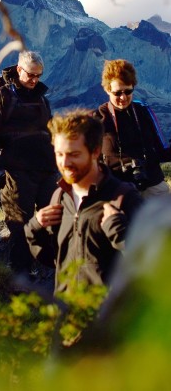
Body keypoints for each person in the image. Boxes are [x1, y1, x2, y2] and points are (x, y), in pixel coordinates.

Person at [24, 109, 143, 293]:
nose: (64, 163)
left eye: (74, 154)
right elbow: (54, 259)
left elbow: (150, 264)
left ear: (95, 151)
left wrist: (119, 233)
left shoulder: (123, 198)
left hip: (111, 317)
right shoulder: (60, 198)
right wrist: (34, 228)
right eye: (59, 154)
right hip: (68, 315)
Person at [0, 51, 58, 277]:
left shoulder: (42, 99)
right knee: (19, 224)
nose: (35, 80)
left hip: (45, 169)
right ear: (19, 70)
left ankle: (49, 272)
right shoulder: (2, 96)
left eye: (38, 76)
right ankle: (20, 277)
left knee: (51, 219)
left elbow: (50, 133)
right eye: (31, 75)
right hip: (16, 172)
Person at [94, 59, 171, 199]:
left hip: (152, 182)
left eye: (128, 91)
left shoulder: (143, 111)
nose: (123, 97)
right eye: (117, 93)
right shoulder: (98, 117)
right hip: (118, 188)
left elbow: (162, 149)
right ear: (107, 90)